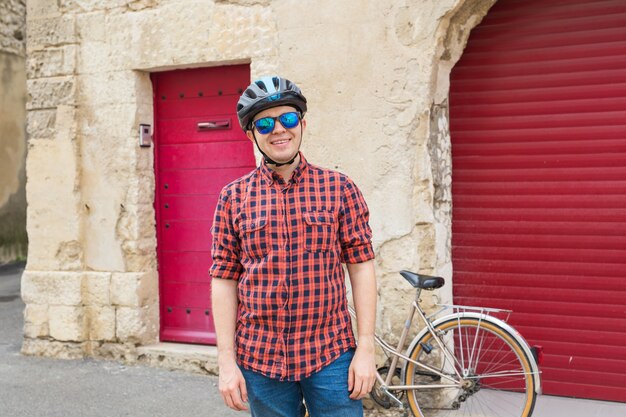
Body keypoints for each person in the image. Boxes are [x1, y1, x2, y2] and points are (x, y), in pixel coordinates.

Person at [210, 76, 377, 417]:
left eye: (287, 119)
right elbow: (224, 280)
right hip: (260, 359)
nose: (278, 130)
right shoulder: (233, 198)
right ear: (251, 134)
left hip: (331, 354)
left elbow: (361, 268)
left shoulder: (339, 188)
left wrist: (367, 348)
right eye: (264, 123)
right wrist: (226, 361)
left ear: (301, 123)